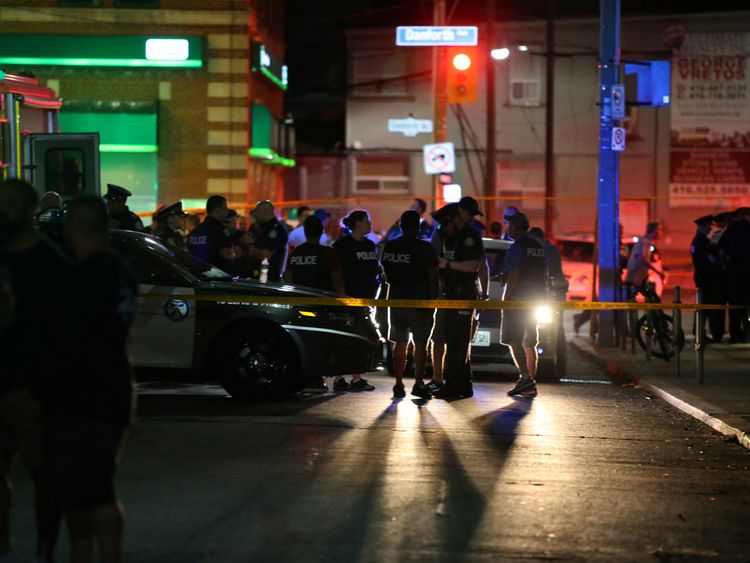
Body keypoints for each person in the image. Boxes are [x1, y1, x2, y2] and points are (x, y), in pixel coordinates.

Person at [50, 195, 136, 563]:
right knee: (95, 484)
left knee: (91, 489)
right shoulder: (121, 272)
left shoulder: (80, 277)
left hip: (83, 394)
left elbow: (67, 343)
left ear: (75, 228)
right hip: (115, 387)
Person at [0, 180, 68, 563]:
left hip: (36, 391)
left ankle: (44, 552)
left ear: (28, 212)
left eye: (6, 205)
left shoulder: (51, 264)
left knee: (45, 476)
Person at [381, 210, 439, 399]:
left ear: (401, 225)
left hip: (396, 298)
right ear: (418, 226)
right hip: (420, 300)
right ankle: (419, 384)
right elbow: (432, 275)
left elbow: (385, 273)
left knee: (400, 343)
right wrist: (433, 299)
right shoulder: (424, 248)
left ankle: (398, 383)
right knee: (421, 343)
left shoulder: (390, 247)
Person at [432, 198, 485, 400]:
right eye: (470, 213)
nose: (472, 218)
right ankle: (463, 384)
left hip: (463, 294)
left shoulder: (470, 236)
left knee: (457, 343)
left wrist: (447, 265)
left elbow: (475, 266)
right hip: (451, 293)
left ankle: (453, 385)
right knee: (456, 341)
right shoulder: (450, 236)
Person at [332, 210, 379, 392]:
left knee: (362, 337)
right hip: (347, 298)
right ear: (358, 223)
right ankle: (339, 378)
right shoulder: (342, 245)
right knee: (344, 337)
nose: (370, 224)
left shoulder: (369, 244)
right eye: (367, 221)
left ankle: (357, 377)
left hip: (365, 299)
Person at [503, 213, 548, 398]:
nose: (507, 228)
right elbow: (544, 274)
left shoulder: (517, 247)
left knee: (513, 338)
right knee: (529, 342)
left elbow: (514, 276)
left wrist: (506, 301)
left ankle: (524, 377)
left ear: (517, 227)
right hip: (536, 299)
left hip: (519, 300)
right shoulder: (537, 247)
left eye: (509, 225)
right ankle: (531, 384)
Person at [427, 202, 460, 392]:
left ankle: (455, 377)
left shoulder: (467, 236)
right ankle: (438, 378)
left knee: (458, 339)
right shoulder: (438, 235)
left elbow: (480, 265)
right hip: (443, 291)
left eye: (443, 222)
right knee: (438, 337)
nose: (441, 226)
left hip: (463, 293)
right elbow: (433, 264)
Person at [529, 226, 569, 374]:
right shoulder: (541, 250)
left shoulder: (550, 250)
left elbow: (549, 270)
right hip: (546, 292)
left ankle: (559, 363)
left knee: (557, 328)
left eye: (534, 240)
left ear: (540, 238)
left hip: (555, 293)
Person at [285, 215, 344, 294]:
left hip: (299, 300)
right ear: (321, 231)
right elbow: (338, 282)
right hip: (323, 301)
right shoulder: (328, 253)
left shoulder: (294, 253)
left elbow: (288, 280)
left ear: (305, 232)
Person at [717, 207, 750, 343]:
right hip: (749, 274)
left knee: (735, 304)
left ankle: (735, 333)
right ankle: (747, 333)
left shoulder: (730, 231)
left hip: (734, 273)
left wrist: (724, 265)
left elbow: (721, 251)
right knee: (748, 305)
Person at [690, 215, 723, 342]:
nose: (710, 228)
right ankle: (700, 333)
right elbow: (709, 260)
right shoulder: (701, 241)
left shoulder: (699, 240)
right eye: (708, 225)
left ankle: (699, 332)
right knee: (704, 305)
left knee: (703, 305)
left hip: (701, 275)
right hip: (706, 276)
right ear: (702, 227)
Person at [187, 195, 235, 272]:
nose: (227, 211)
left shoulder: (195, 231)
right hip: (216, 276)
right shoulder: (218, 229)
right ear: (217, 210)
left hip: (196, 275)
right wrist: (235, 253)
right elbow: (226, 254)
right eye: (225, 207)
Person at [245, 200, 289, 283]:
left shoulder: (276, 230)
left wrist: (251, 247)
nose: (256, 214)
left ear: (265, 211)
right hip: (258, 277)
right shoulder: (262, 229)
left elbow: (265, 255)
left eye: (257, 211)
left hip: (269, 280)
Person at [625, 222, 665, 289]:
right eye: (659, 229)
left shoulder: (648, 243)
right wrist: (657, 272)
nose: (661, 232)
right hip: (633, 279)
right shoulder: (643, 242)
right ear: (654, 230)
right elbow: (642, 259)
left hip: (638, 280)